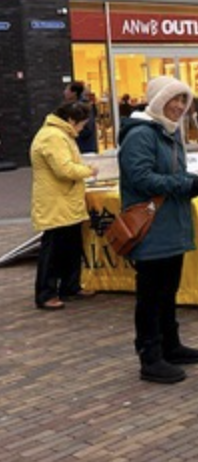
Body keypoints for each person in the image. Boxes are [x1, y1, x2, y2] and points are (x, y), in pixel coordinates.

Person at [118, 76, 198, 385]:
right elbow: (141, 178)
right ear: (158, 100)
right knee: (151, 294)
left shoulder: (168, 133)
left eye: (184, 100)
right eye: (175, 99)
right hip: (152, 228)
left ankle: (170, 345)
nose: (180, 106)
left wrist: (189, 183)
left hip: (170, 225)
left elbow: (169, 175)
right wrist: (184, 184)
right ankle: (150, 356)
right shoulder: (142, 134)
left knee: (168, 290)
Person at [30, 101, 98, 310]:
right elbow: (64, 169)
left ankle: (70, 286)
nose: (82, 129)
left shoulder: (59, 134)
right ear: (71, 120)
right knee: (53, 249)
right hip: (56, 202)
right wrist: (89, 170)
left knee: (71, 245)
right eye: (81, 124)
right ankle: (46, 293)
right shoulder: (53, 136)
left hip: (65, 201)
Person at [64, 81, 97, 153]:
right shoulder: (76, 106)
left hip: (85, 148)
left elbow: (87, 129)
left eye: (67, 90)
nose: (64, 92)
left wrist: (72, 132)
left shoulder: (83, 107)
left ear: (74, 93)